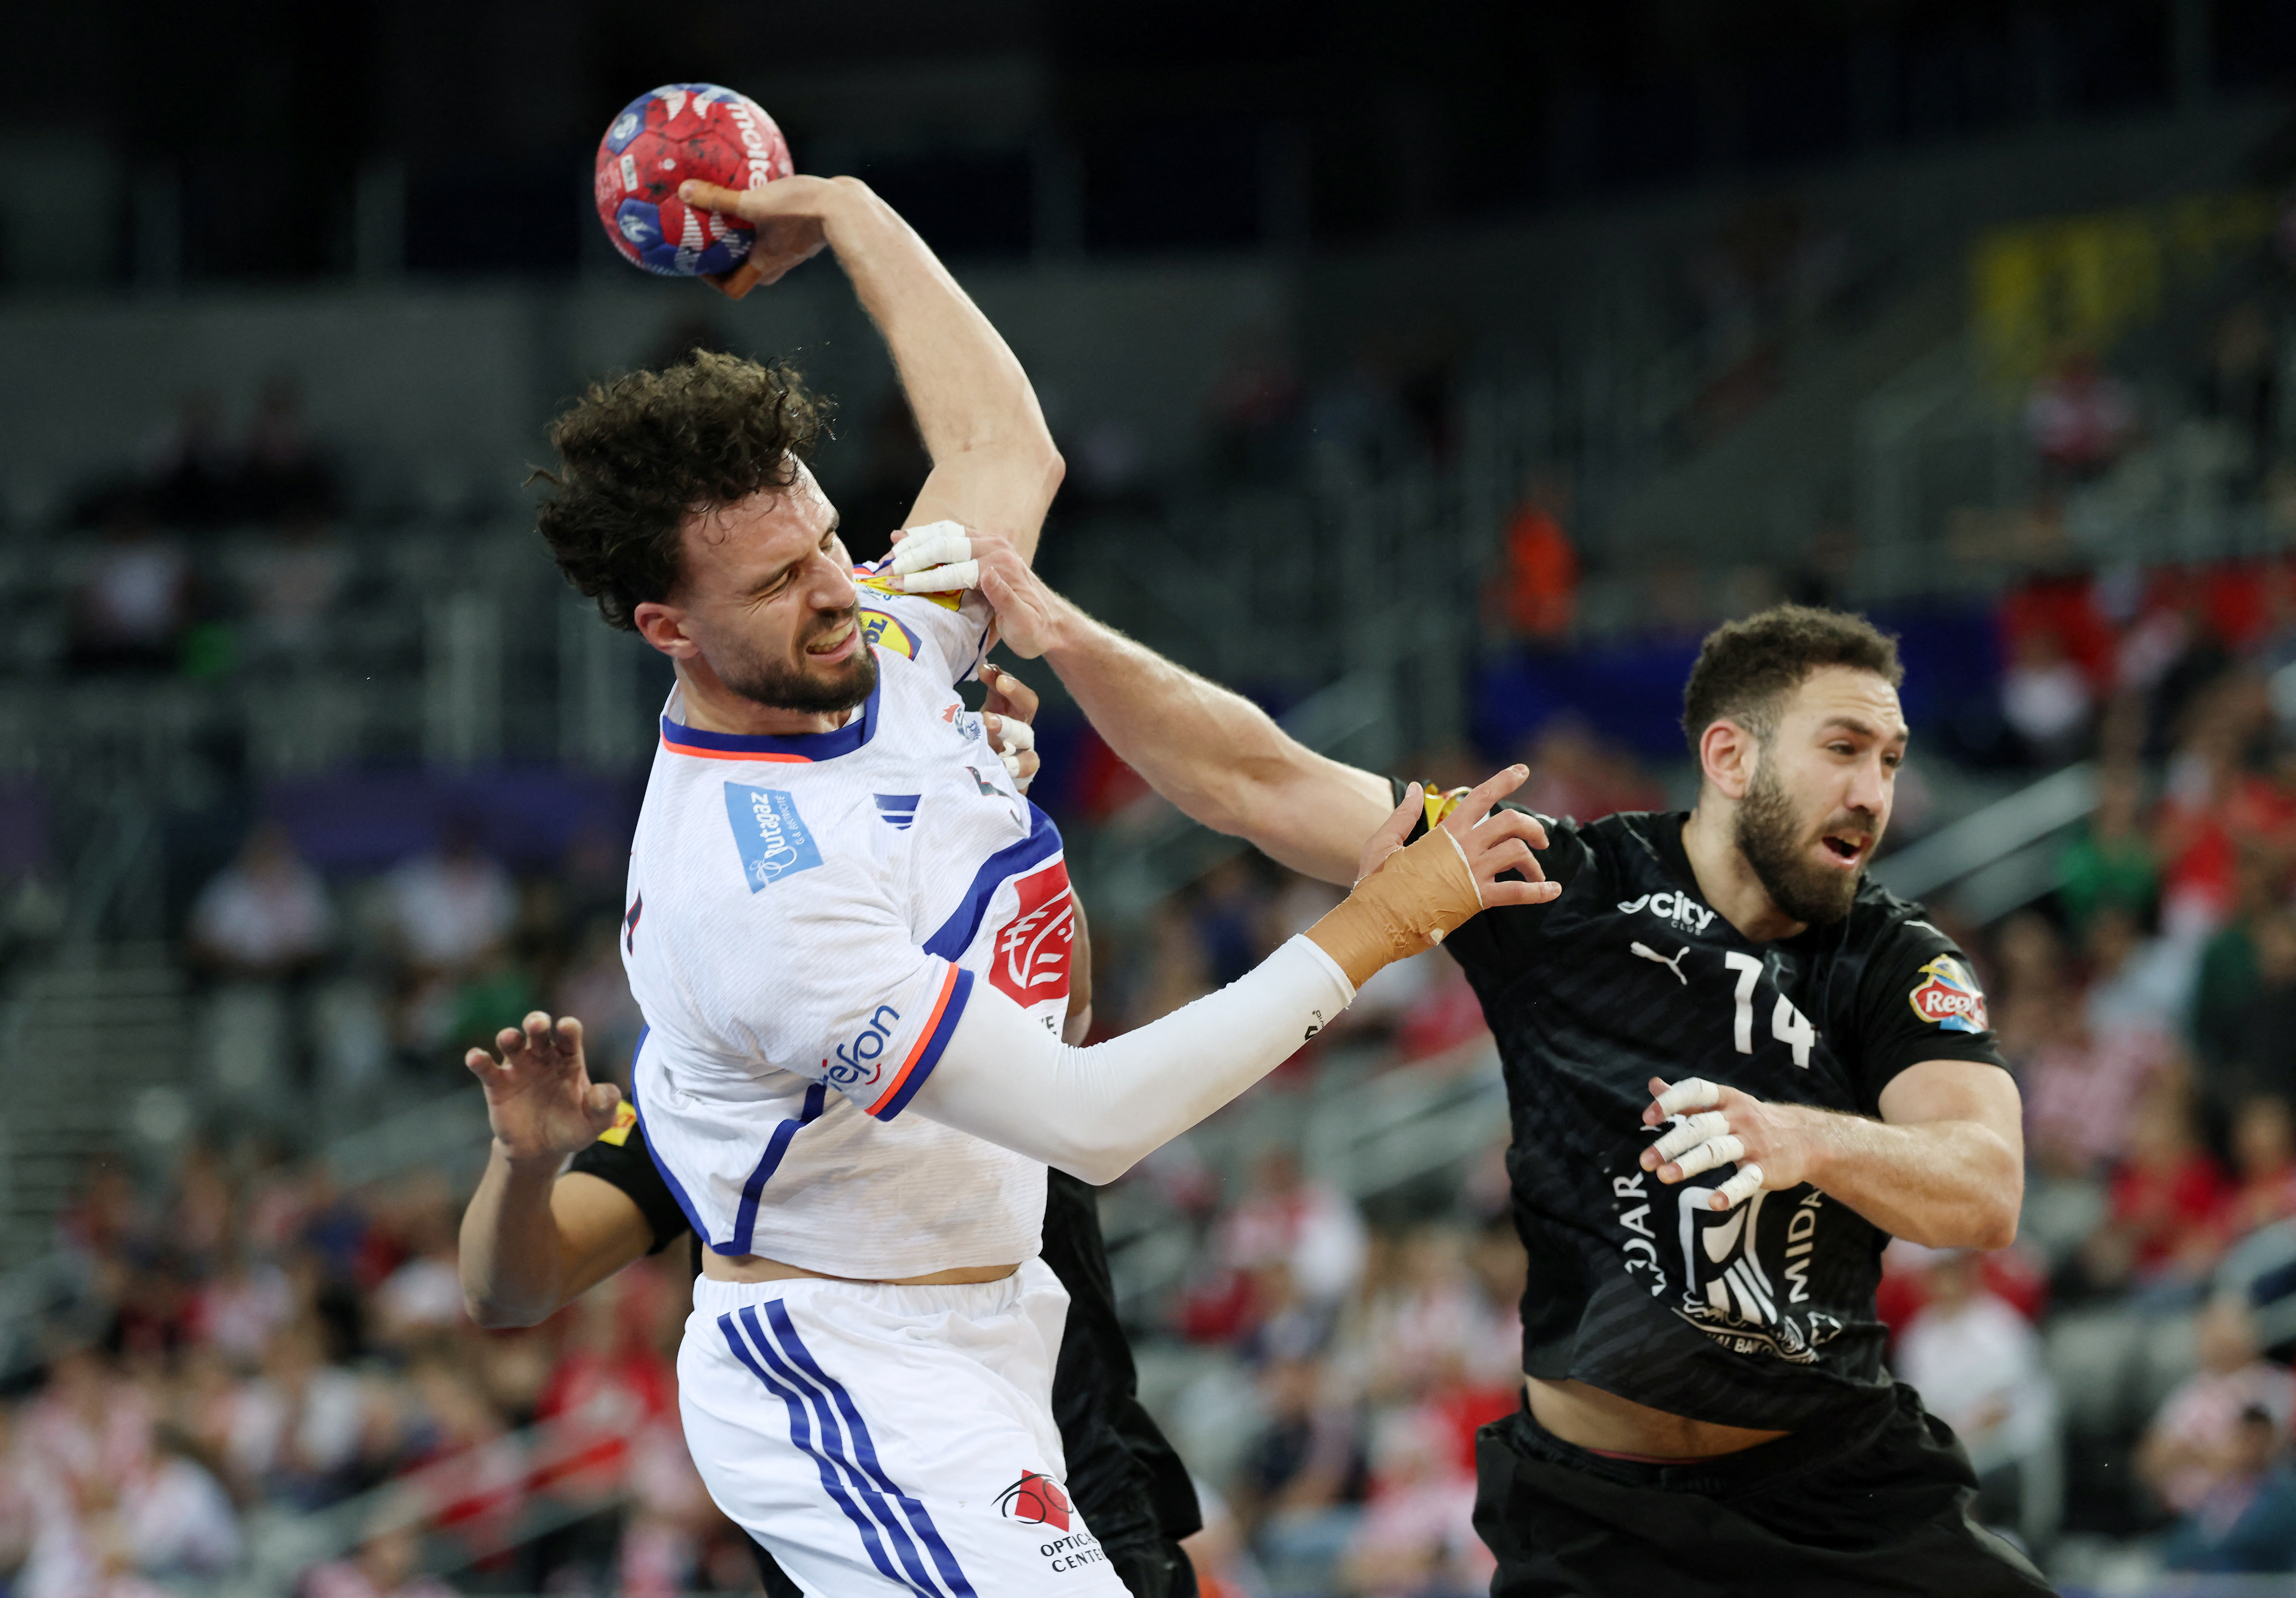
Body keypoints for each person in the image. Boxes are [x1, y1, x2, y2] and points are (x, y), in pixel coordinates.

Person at [525, 167, 1546, 1596]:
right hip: (850, 1359)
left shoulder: (870, 636)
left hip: (1002, 1311)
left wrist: (851, 218)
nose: (835, 588)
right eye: (776, 585)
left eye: (827, 537)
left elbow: (1005, 446)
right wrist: (1379, 923)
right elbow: (1095, 1121)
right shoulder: (747, 885)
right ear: (664, 628)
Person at [904, 546, 2050, 1594]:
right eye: (1843, 750)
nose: (1873, 791)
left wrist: (1804, 1138)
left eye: (1890, 760)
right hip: (1603, 1518)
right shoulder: (1563, 883)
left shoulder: (1894, 960)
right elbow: (1253, 780)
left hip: (1839, 1490)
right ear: (1730, 754)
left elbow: (1984, 1185)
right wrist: (1067, 632)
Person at [458, 885, 1206, 1597]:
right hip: (870, 1546)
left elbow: (1071, 1013)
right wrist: (523, 1164)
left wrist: (1006, 826)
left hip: (1086, 1509)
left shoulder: (986, 1001)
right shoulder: (721, 1097)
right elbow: (509, 1289)